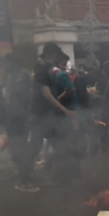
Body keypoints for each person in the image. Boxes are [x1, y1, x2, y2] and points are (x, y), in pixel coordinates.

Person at [29, 43, 78, 183]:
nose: (57, 59)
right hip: (40, 115)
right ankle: (25, 178)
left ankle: (58, 175)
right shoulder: (41, 71)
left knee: (59, 144)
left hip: (47, 115)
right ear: (49, 55)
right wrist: (65, 110)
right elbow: (46, 94)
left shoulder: (46, 69)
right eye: (56, 55)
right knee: (36, 147)